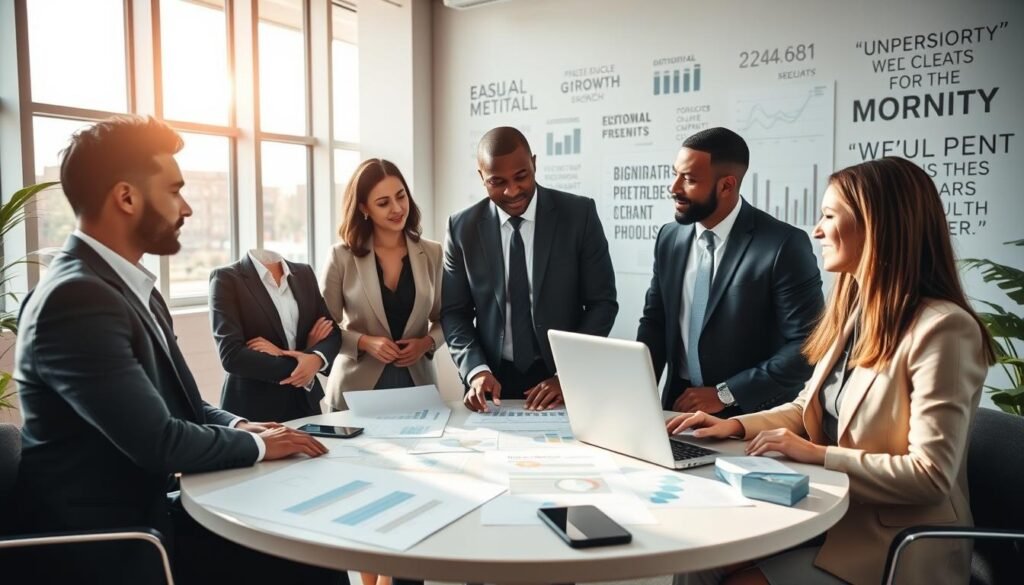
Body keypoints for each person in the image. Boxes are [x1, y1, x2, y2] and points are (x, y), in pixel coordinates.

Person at [12, 115, 343, 584]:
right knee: (304, 557)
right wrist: (258, 445)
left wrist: (239, 423)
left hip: (153, 513)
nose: (186, 208)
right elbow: (159, 442)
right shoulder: (76, 299)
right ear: (126, 197)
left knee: (311, 543)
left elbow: (183, 406)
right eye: (173, 190)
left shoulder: (131, 289)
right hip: (110, 542)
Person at [667, 156, 995, 585]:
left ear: (876, 226)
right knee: (700, 556)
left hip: (893, 542)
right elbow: (808, 407)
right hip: (827, 517)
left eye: (828, 216)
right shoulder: (854, 311)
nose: (817, 230)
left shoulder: (944, 329)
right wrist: (734, 427)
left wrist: (819, 455)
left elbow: (930, 477)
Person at [638, 127, 823, 418]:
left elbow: (807, 345)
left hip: (751, 418)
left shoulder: (783, 245)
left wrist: (726, 394)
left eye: (689, 179)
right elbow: (656, 323)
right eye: (675, 174)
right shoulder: (669, 238)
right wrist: (635, 391)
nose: (674, 187)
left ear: (726, 186)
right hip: (677, 409)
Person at [319, 157, 442, 585]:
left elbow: (448, 320)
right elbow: (323, 328)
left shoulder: (432, 253)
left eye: (401, 196)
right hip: (358, 390)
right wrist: (364, 342)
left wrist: (427, 342)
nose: (397, 208)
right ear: (364, 208)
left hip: (415, 388)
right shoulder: (341, 256)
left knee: (413, 496)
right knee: (364, 498)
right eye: (384, 201)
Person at [441, 126, 618, 412]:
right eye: (497, 181)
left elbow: (602, 304)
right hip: (490, 381)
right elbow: (454, 313)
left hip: (561, 378)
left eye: (521, 176)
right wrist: (475, 370)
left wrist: (567, 375)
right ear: (481, 177)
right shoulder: (462, 228)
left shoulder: (579, 215)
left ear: (534, 163)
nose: (512, 191)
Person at [209, 248, 341, 422]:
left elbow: (331, 333)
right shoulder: (226, 278)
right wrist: (304, 364)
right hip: (253, 409)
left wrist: (312, 358)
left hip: (305, 404)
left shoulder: (304, 273)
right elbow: (232, 355)